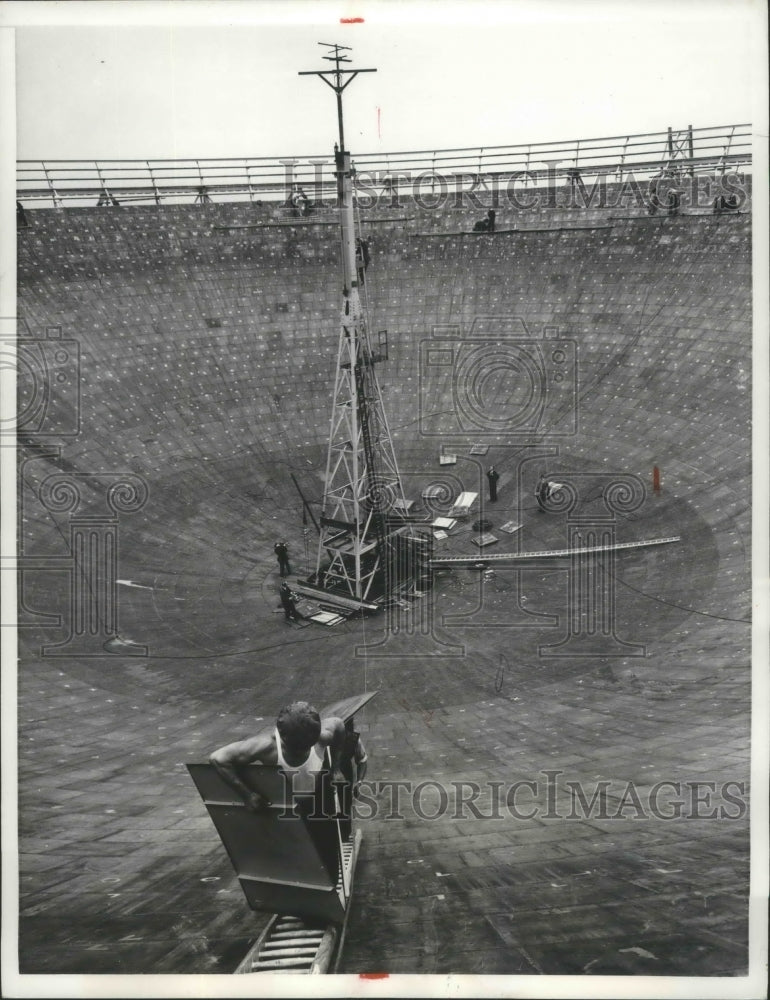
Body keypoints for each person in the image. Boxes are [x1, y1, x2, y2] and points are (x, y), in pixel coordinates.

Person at [209, 701, 346, 811]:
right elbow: (217, 758)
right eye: (295, 749)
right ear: (283, 739)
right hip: (285, 805)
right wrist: (247, 795)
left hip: (315, 798)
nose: (300, 753)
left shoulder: (323, 737)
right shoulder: (268, 746)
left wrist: (336, 768)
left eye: (306, 748)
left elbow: (339, 724)